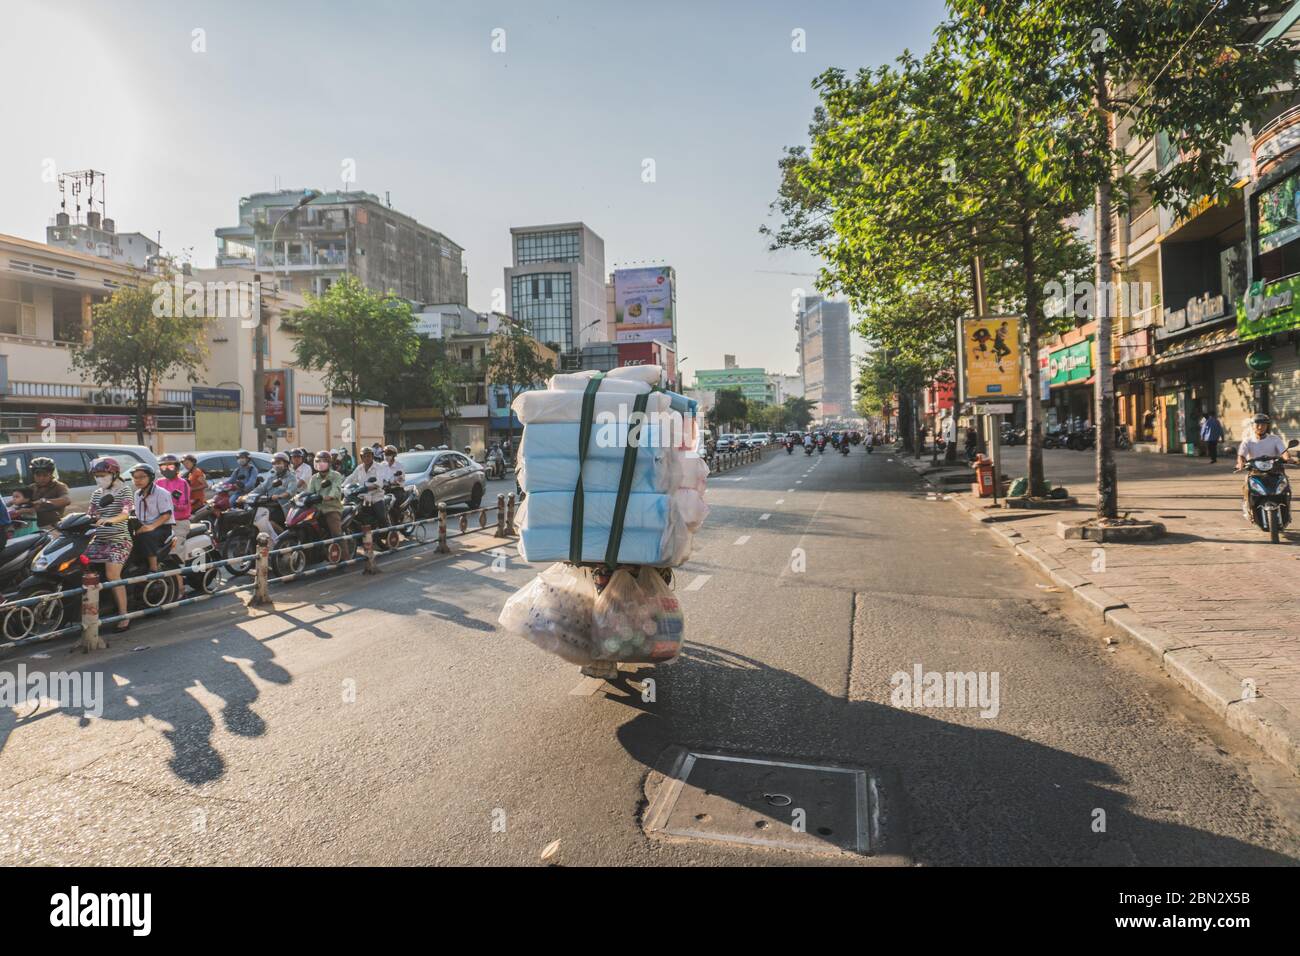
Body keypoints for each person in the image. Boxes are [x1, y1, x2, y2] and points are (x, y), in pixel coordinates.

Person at [86, 457, 134, 630]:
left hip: (119, 540)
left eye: (102, 475)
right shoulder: (97, 493)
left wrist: (110, 520)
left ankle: (124, 615)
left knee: (112, 575)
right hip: (98, 540)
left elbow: (126, 512)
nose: (99, 478)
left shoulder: (124, 491)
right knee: (82, 569)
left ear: (114, 474)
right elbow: (90, 514)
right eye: (97, 475)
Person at [1235, 413, 1295, 518]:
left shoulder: (1275, 439)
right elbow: (1242, 455)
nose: (1260, 427)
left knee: (1286, 487)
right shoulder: (1248, 441)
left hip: (1275, 470)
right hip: (1255, 471)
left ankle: (1287, 508)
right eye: (1257, 424)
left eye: (1263, 424)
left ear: (1267, 426)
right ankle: (1248, 506)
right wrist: (1240, 463)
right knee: (1246, 486)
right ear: (1252, 426)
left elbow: (1284, 452)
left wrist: (1288, 458)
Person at [130, 464, 176, 582]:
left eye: (141, 477)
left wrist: (151, 527)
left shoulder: (161, 493)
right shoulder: (137, 494)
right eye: (135, 477)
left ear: (150, 477)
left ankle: (153, 568)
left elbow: (166, 515)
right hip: (145, 524)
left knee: (146, 536)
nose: (137, 480)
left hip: (161, 526)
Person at [243, 451, 299, 536]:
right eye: (275, 463)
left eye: (279, 463)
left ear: (286, 464)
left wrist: (279, 496)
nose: (277, 465)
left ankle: (285, 537)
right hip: (269, 505)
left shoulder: (291, 477)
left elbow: (290, 492)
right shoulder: (271, 478)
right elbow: (260, 489)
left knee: (267, 520)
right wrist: (245, 496)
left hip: (284, 507)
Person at [307, 450, 346, 543]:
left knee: (337, 535)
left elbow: (335, 489)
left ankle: (346, 557)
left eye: (324, 461)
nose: (321, 463)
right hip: (317, 509)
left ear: (329, 463)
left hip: (331, 508)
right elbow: (309, 492)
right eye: (318, 461)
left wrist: (329, 496)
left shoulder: (335, 475)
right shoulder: (314, 478)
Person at [155, 454, 193, 551]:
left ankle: (180, 565)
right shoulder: (158, 482)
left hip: (178, 523)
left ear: (177, 468)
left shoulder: (182, 483)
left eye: (171, 466)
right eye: (163, 466)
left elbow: (184, 505)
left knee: (173, 551)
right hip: (160, 522)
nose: (167, 469)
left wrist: (169, 504)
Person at [346, 445, 387, 528]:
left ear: (372, 456)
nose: (367, 458)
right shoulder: (359, 468)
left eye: (369, 456)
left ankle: (387, 531)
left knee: (381, 516)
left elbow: (380, 482)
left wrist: (368, 487)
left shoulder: (379, 467)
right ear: (361, 457)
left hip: (376, 495)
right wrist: (342, 486)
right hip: (362, 496)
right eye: (364, 456)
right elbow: (350, 478)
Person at [27, 457, 71, 529]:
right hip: (34, 527)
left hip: (53, 527)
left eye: (45, 475)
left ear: (51, 474)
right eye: (38, 475)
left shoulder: (59, 486)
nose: (41, 478)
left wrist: (44, 501)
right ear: (33, 475)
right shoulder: (31, 488)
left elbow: (66, 500)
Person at [377, 444, 408, 521]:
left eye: (388, 454)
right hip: (384, 489)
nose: (386, 456)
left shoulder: (399, 466)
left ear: (393, 455)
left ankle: (398, 518)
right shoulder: (381, 465)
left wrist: (396, 481)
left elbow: (401, 478)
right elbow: (377, 476)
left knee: (395, 503)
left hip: (396, 489)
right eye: (384, 454)